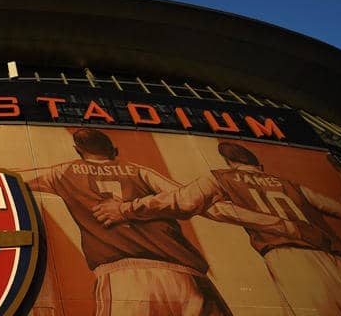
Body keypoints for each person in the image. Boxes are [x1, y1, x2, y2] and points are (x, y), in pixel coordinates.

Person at [24, 129, 302, 316]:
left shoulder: (62, 172)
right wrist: (279, 224)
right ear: (114, 149)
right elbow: (209, 208)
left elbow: (14, 177)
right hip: (186, 275)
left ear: (77, 150)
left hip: (124, 278)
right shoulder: (140, 172)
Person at [92, 142, 341, 316]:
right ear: (258, 165)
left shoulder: (221, 177)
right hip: (335, 254)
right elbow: (335, 207)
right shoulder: (289, 184)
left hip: (290, 255)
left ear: (230, 162)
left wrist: (125, 208)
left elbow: (182, 201)